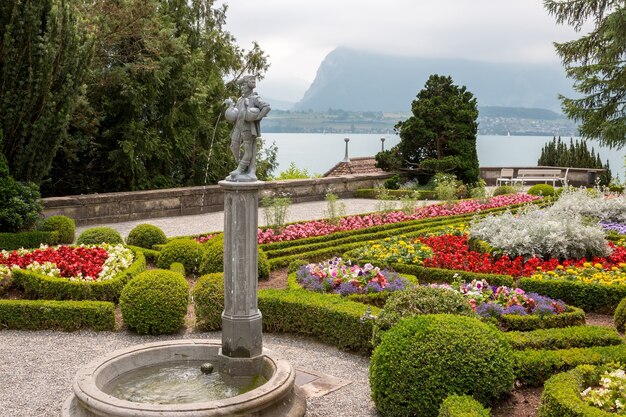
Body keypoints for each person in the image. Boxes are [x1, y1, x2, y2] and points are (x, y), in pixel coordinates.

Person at [223, 75, 271, 181]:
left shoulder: (254, 98)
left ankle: (240, 169)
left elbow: (266, 107)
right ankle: (241, 165)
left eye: (244, 84)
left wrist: (256, 117)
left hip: (247, 128)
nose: (242, 87)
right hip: (238, 127)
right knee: (233, 146)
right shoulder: (240, 99)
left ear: (249, 85)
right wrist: (231, 105)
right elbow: (236, 113)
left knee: (248, 149)